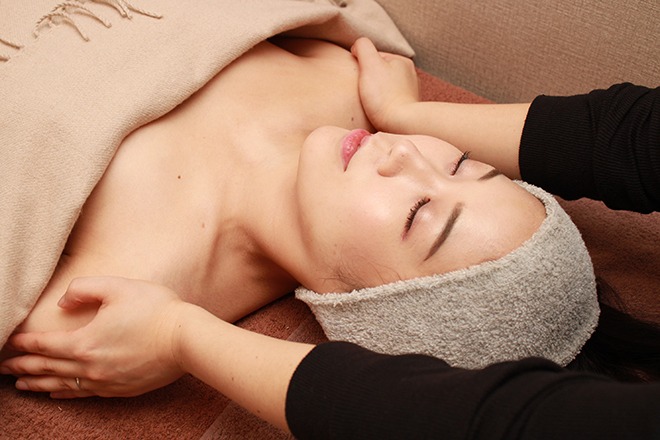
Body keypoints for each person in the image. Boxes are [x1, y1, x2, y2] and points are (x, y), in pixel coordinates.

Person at [0, 37, 659, 438]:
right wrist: (407, 109)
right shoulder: (350, 75)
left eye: (418, 214)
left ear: (367, 309)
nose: (406, 153)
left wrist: (176, 334)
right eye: (462, 163)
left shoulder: (110, 294)